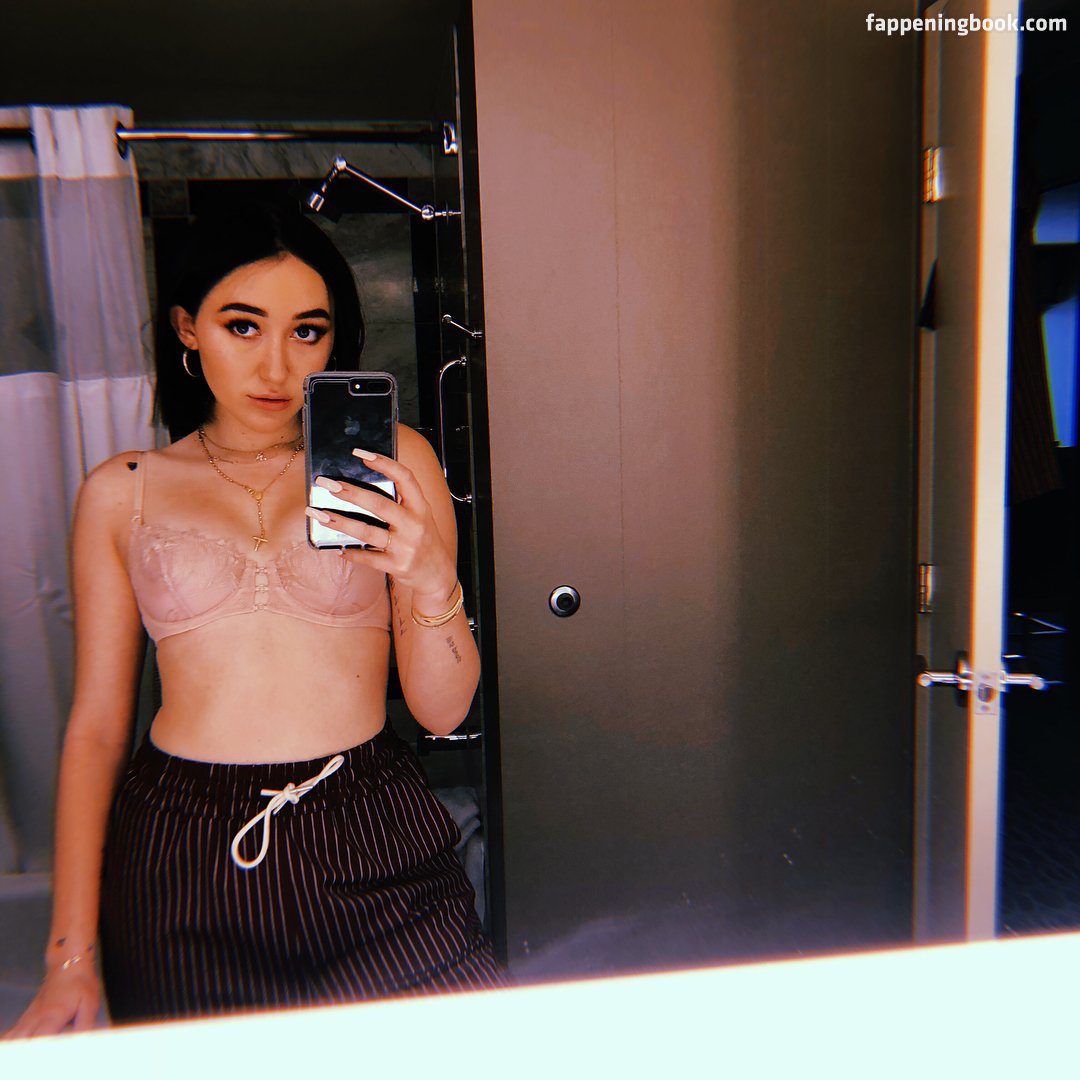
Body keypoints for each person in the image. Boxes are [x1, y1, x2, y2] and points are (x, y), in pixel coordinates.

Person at [5, 204, 504, 1036]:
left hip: (369, 825)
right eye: (242, 325)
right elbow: (95, 729)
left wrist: (430, 577)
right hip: (183, 851)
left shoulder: (395, 461)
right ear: (188, 329)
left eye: (307, 331)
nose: (277, 364)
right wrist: (69, 957)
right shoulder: (123, 490)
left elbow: (443, 710)